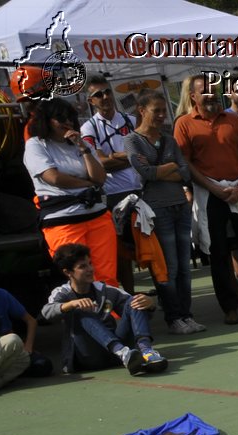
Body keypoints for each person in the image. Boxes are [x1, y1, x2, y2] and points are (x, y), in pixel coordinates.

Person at [174, 72, 238, 323]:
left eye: (212, 89)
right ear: (193, 96)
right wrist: (213, 188)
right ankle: (229, 307)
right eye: (204, 90)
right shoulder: (183, 124)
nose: (210, 94)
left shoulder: (234, 119)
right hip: (210, 195)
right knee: (218, 253)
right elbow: (185, 163)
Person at [126, 88, 200, 334]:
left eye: (162, 111)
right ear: (142, 111)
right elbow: (146, 173)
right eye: (155, 111)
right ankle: (174, 316)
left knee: (184, 266)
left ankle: (186, 314)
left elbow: (186, 172)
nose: (160, 115)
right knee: (168, 267)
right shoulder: (133, 140)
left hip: (180, 205)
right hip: (158, 210)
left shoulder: (168, 138)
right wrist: (171, 168)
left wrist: (162, 169)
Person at [25, 98, 118, 288]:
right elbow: (53, 178)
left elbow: (99, 178)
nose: (67, 122)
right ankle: (88, 316)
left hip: (97, 217)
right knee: (78, 278)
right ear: (47, 120)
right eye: (60, 118)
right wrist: (87, 183)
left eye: (70, 117)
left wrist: (83, 148)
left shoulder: (80, 143)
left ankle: (111, 316)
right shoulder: (36, 144)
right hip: (63, 221)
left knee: (106, 277)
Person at [42, 242, 166, 374]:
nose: (90, 269)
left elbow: (136, 312)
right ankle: (121, 351)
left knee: (133, 301)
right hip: (89, 356)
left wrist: (150, 304)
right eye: (83, 266)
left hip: (118, 355)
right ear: (68, 272)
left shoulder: (105, 290)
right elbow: (47, 312)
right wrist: (72, 304)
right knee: (79, 312)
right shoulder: (62, 293)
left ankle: (146, 351)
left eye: (90, 263)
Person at [80, 73, 142, 292]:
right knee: (122, 253)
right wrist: (130, 157)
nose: (105, 97)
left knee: (151, 247)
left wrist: (115, 157)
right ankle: (129, 296)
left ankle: (164, 298)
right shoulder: (89, 128)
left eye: (107, 91)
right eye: (98, 94)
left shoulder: (131, 120)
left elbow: (145, 155)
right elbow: (100, 165)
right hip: (114, 195)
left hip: (140, 190)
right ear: (91, 101)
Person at [0, 288, 41, 389]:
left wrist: (28, 347)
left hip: (3, 349)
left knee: (33, 362)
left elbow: (31, 321)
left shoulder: (0, 294)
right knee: (13, 339)